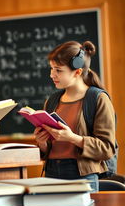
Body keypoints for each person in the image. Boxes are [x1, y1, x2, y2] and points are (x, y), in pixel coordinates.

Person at [34, 41, 116, 192]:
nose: (52, 75)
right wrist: (42, 143)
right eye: (51, 69)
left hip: (82, 176)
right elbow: (49, 148)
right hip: (51, 173)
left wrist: (72, 138)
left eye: (58, 70)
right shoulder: (52, 101)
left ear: (77, 72)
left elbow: (107, 148)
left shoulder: (97, 99)